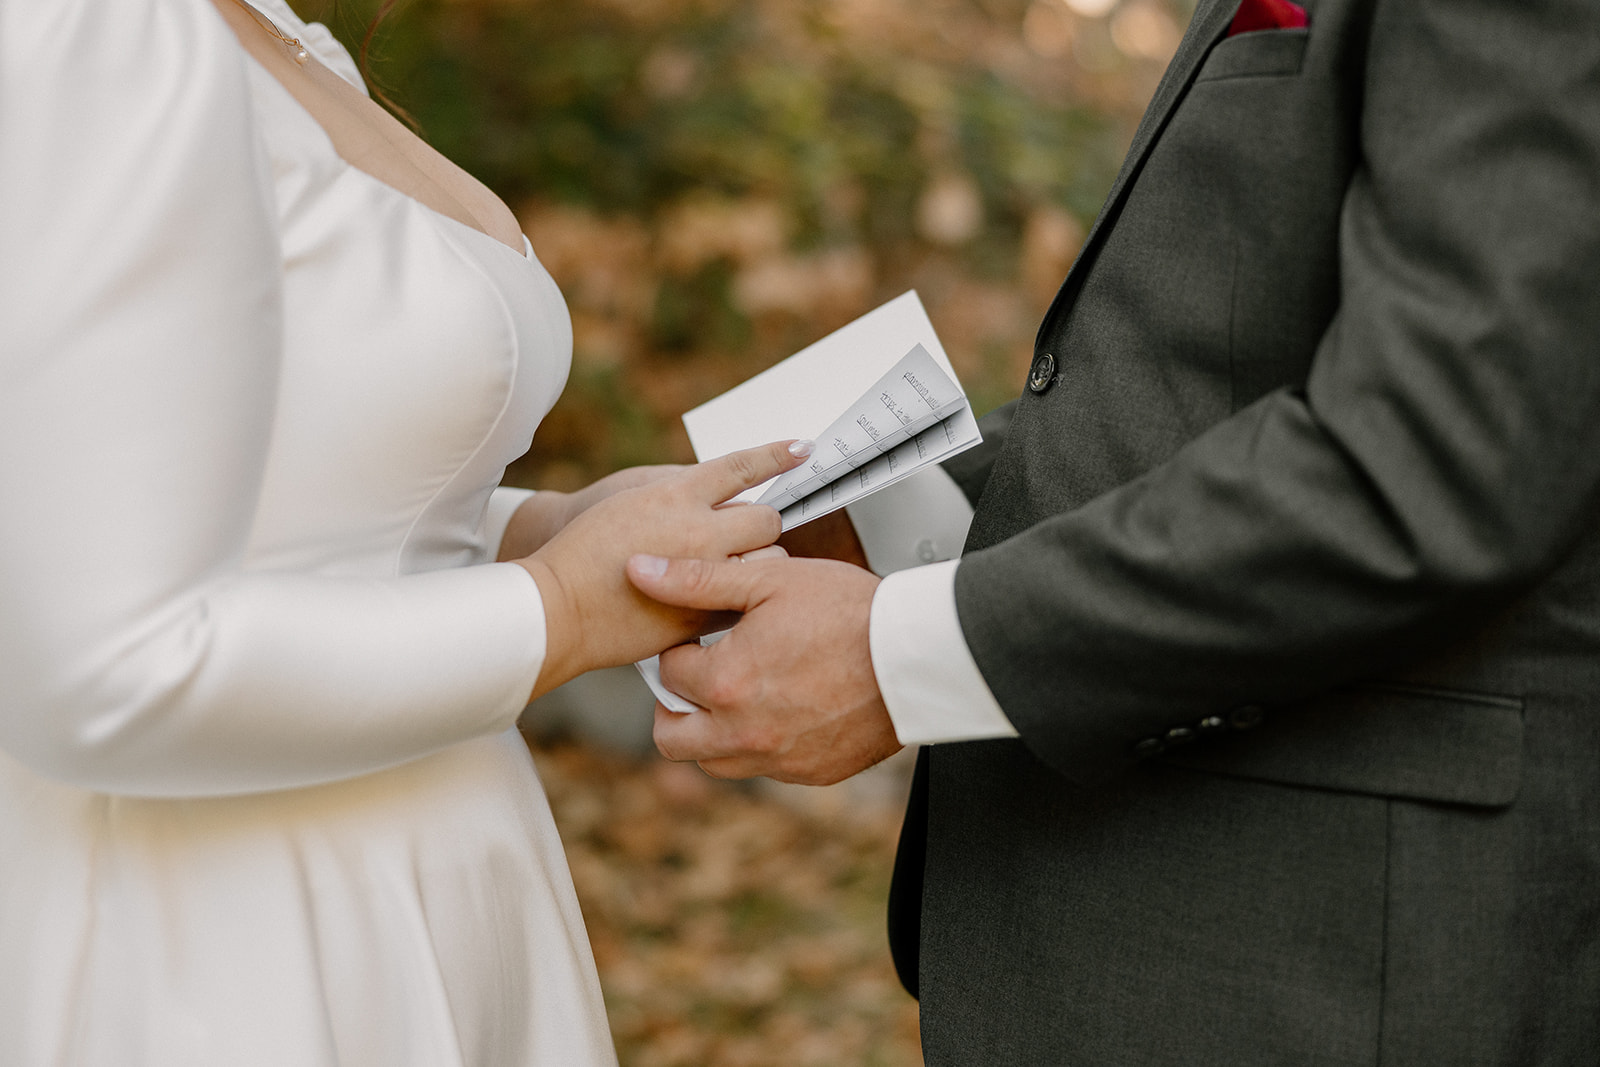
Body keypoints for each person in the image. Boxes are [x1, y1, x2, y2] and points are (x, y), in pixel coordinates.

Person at [629, 0, 1600, 1060]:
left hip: (1331, 955)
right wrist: (884, 514)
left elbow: (1438, 451)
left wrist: (899, 652)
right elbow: (1215, 378)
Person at [0, 0, 804, 1062]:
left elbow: (283, 500)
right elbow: (98, 668)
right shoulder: (94, 30)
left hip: (428, 880)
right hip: (228, 942)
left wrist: (542, 529)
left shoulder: (272, 28)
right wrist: (559, 609)